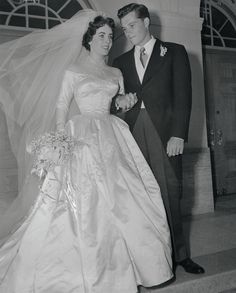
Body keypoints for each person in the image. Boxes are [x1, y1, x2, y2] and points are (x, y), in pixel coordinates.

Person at [0, 9, 173, 293]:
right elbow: (60, 104)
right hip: (80, 135)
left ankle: (136, 266)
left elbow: (117, 102)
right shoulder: (73, 71)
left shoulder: (115, 71)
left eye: (109, 36)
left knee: (125, 195)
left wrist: (125, 101)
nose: (107, 41)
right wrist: (59, 139)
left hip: (112, 134)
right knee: (82, 201)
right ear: (89, 39)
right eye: (101, 36)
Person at [112, 3, 205, 274]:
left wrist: (178, 133)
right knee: (140, 196)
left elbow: (183, 96)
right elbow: (113, 104)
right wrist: (121, 103)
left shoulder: (174, 52)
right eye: (124, 28)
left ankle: (180, 255)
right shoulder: (120, 63)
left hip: (165, 134)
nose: (127, 32)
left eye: (131, 25)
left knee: (169, 193)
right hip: (132, 134)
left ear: (146, 22)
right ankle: (150, 258)